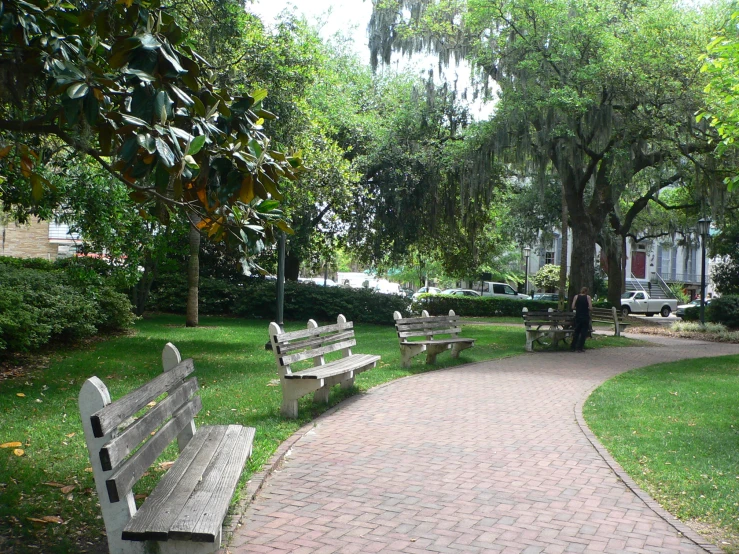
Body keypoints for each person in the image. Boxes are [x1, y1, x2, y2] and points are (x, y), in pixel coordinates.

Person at [570, 286, 593, 353]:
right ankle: (580, 347)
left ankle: (573, 347)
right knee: (583, 333)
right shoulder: (588, 297)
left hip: (578, 316)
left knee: (576, 332)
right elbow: (591, 308)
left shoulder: (576, 297)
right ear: (586, 291)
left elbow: (572, 307)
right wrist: (587, 308)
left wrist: (578, 308)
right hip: (585, 316)